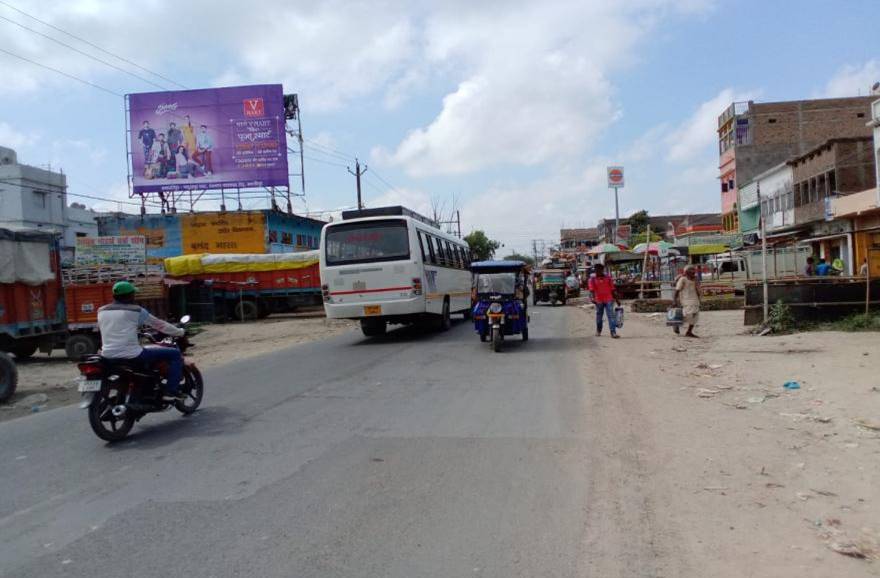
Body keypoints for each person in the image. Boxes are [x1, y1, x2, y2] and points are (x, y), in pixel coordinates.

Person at [97, 281, 186, 399]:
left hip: (107, 354)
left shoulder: (101, 310)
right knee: (174, 354)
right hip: (132, 354)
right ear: (130, 296)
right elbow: (159, 325)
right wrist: (180, 332)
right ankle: (171, 390)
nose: (134, 297)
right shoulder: (136, 310)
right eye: (133, 294)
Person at [588, 263, 620, 339]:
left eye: (599, 269)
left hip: (609, 299)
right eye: (596, 270)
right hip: (598, 300)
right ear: (595, 270)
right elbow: (591, 290)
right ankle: (598, 330)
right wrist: (592, 298)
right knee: (599, 316)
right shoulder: (592, 279)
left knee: (611, 316)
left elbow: (613, 289)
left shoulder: (608, 278)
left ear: (602, 270)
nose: (598, 271)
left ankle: (613, 332)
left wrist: (617, 300)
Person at [674, 265, 701, 338]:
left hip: (695, 300)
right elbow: (677, 290)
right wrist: (674, 300)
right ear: (686, 272)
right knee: (688, 314)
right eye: (691, 270)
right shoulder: (683, 279)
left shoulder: (695, 279)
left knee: (695, 317)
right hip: (686, 300)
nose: (693, 272)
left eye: (694, 270)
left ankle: (689, 331)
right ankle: (676, 323)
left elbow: (698, 290)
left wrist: (699, 298)